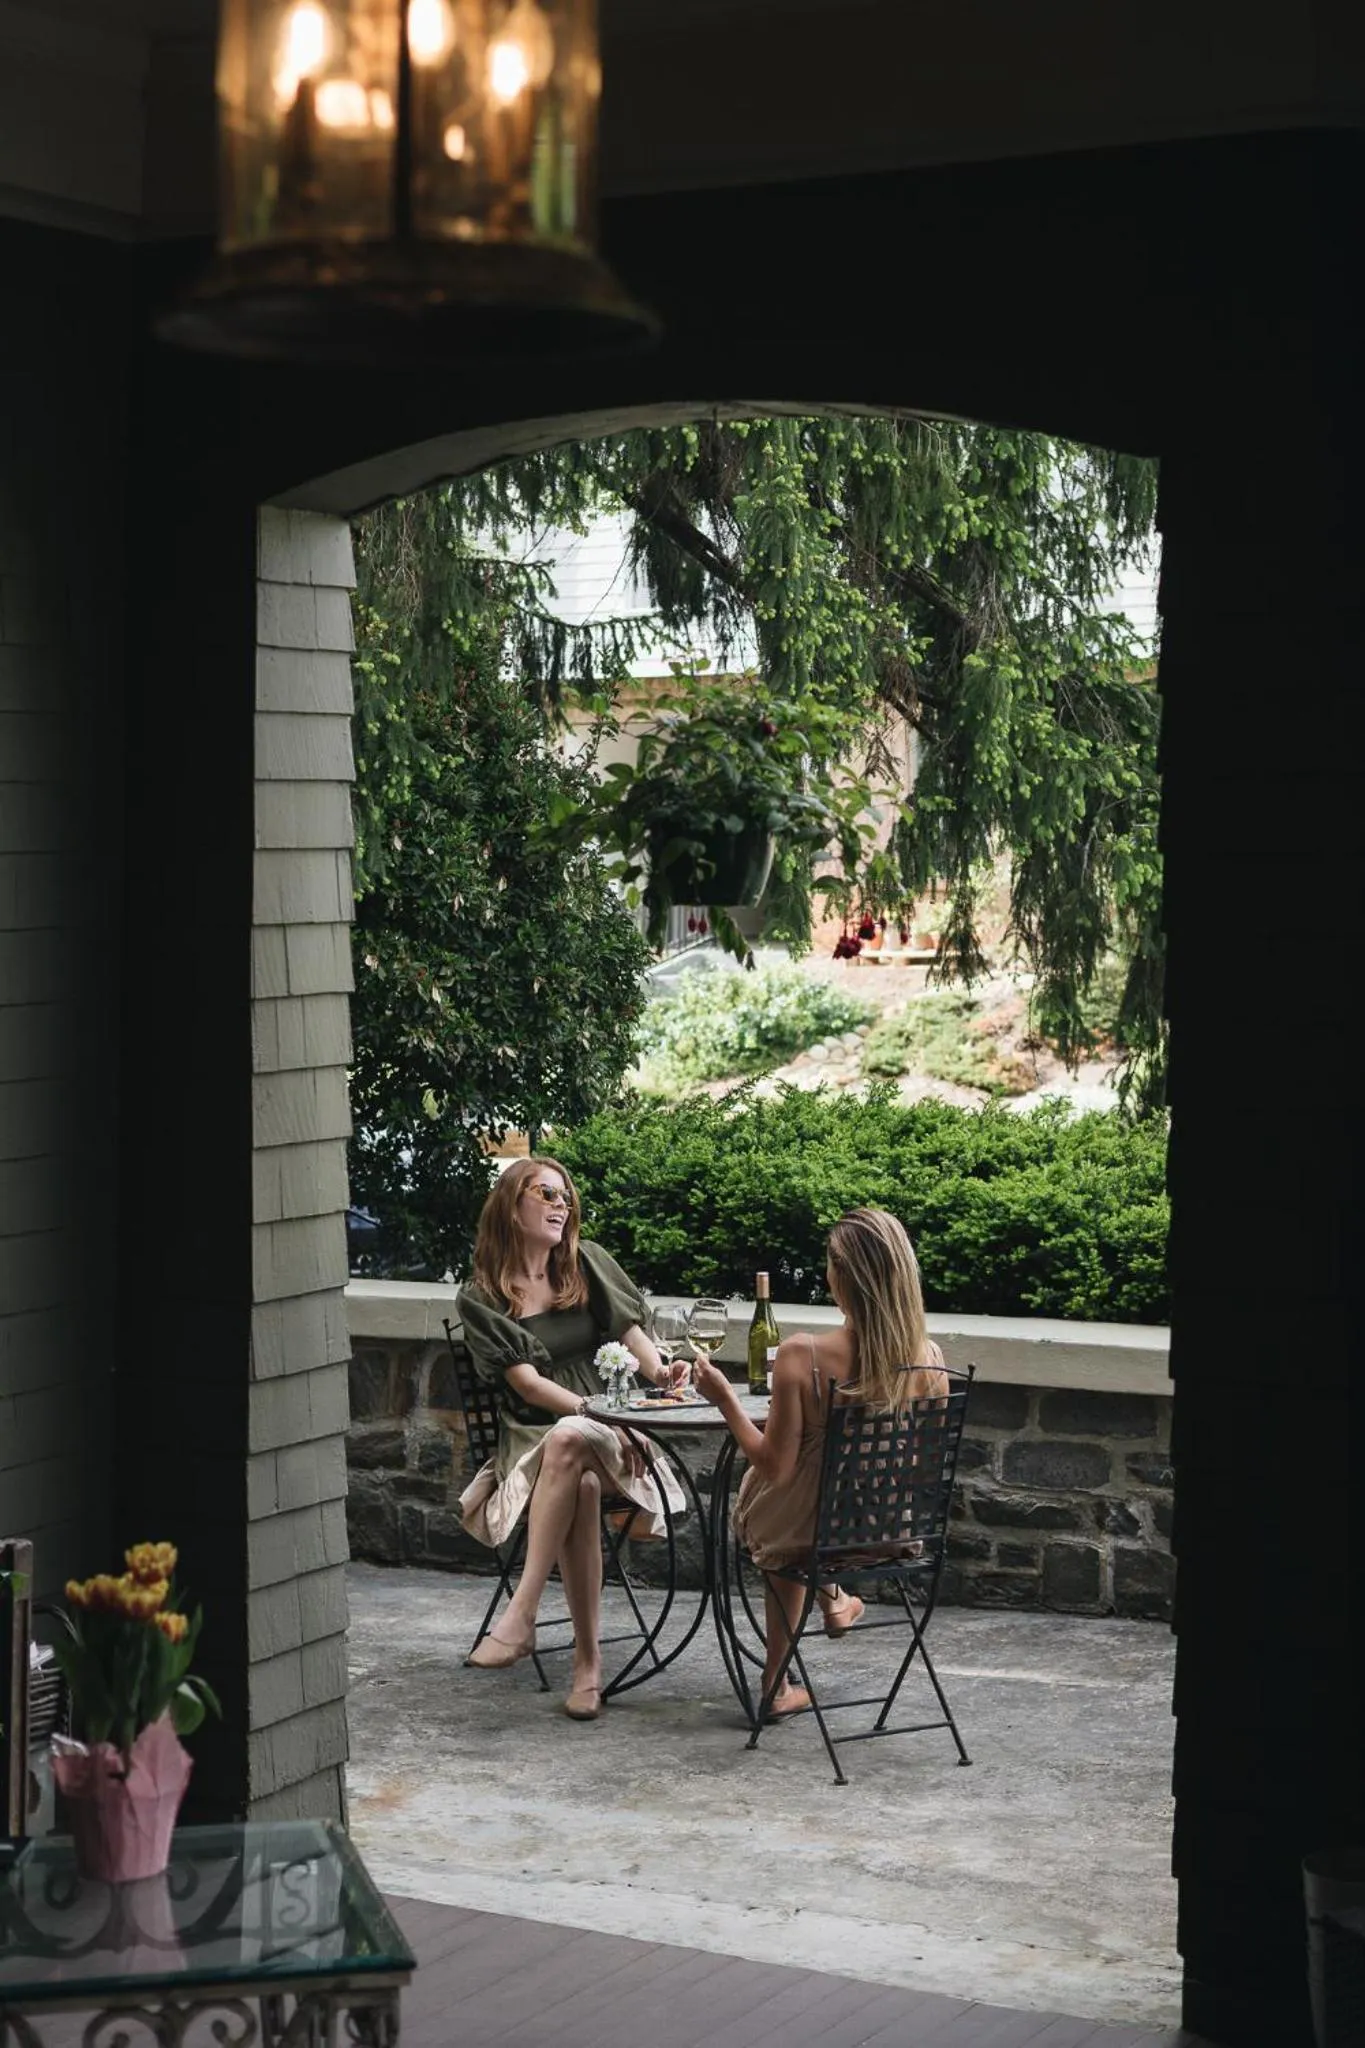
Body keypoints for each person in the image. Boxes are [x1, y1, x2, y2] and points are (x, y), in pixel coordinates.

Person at [691, 1207, 948, 1722]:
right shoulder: (930, 1361)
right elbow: (922, 1472)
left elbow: (774, 1467)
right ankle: (832, 1603)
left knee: (778, 1512)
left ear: (841, 1276)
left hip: (807, 1534)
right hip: (890, 1533)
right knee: (804, 1517)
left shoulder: (801, 1356)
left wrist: (724, 1400)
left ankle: (778, 1681)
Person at [456, 1156, 685, 1721]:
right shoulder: (481, 1296)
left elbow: (633, 1338)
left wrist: (662, 1375)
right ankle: (588, 1668)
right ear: (512, 1206)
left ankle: (522, 1614)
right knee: (572, 1467)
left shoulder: (586, 1264)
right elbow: (528, 1386)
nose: (561, 1205)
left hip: (613, 1434)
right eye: (546, 1194)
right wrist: (591, 1413)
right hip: (536, 1440)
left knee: (572, 1443)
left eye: (565, 1197)